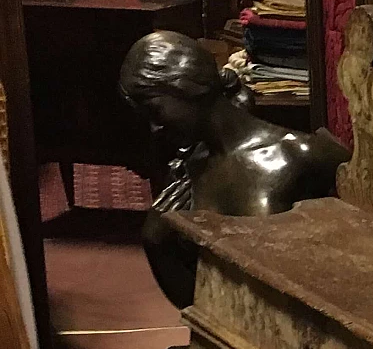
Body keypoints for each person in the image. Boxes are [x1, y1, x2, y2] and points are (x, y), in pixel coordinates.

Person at [119, 29, 349, 312]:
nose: (155, 128)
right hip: (229, 331)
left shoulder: (301, 154)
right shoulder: (188, 169)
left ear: (185, 86)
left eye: (155, 111)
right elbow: (198, 305)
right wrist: (156, 242)